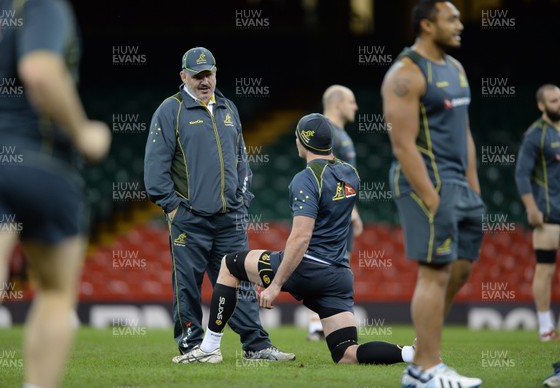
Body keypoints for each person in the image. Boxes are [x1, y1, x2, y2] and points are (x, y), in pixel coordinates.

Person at [172, 113, 415, 366]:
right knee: (346, 354)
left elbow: (301, 237)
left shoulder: (305, 179)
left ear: (303, 141)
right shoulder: (351, 173)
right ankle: (410, 353)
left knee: (230, 264)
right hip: (337, 276)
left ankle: (209, 347)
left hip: (306, 267)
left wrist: (276, 285)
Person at [0, 1, 111, 387]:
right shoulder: (42, 4)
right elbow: (40, 70)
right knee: (56, 292)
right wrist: (83, 134)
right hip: (44, 163)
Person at [144, 47, 294, 361]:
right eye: (197, 75)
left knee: (240, 286)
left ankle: (256, 345)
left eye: (208, 73)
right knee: (187, 287)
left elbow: (241, 159)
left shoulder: (228, 108)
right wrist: (175, 209)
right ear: (183, 76)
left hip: (230, 220)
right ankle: (192, 347)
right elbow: (154, 173)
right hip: (190, 220)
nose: (204, 81)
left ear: (216, 73)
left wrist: (241, 201)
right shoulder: (169, 111)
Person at [381, 1, 484, 386]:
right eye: (451, 18)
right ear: (427, 24)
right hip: (424, 183)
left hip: (461, 186)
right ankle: (426, 368)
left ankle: (422, 362)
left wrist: (473, 189)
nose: (460, 24)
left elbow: (466, 133)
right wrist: (434, 198)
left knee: (461, 267)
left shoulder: (456, 69)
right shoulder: (405, 74)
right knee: (435, 271)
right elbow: (403, 146)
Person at [307, 85, 363, 341]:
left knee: (336, 263)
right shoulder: (326, 132)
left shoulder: (336, 133)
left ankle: (319, 324)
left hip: (341, 209)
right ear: (338, 103)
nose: (356, 107)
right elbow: (321, 171)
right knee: (333, 264)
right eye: (352, 102)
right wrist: (349, 211)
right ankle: (320, 324)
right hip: (335, 213)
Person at [515, 84, 560, 342]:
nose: (558, 104)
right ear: (541, 105)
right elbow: (521, 173)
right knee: (545, 269)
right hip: (549, 215)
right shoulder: (536, 135)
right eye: (553, 101)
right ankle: (545, 327)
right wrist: (531, 208)